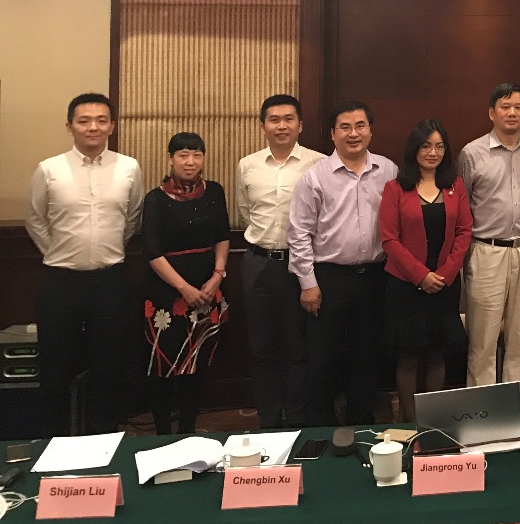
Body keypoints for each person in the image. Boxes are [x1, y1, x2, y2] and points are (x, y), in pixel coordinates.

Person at [26, 93, 145, 435]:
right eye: (84, 120)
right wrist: (57, 253)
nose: (93, 127)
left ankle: (103, 437)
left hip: (110, 281)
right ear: (70, 126)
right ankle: (55, 439)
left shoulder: (129, 167)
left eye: (101, 120)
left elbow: (133, 218)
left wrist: (109, 250)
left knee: (108, 364)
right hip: (61, 281)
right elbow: (35, 220)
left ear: (112, 125)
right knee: (56, 365)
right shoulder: (49, 169)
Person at [287, 100, 397, 425]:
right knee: (324, 358)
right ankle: (322, 429)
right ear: (332, 134)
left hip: (375, 277)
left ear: (370, 130)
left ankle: (361, 425)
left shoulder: (388, 171)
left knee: (368, 355)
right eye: (345, 127)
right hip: (329, 278)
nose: (353, 133)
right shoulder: (315, 177)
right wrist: (308, 284)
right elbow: (299, 233)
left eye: (360, 126)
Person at [234, 93, 325, 428]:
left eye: (289, 119)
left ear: (300, 125)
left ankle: (298, 418)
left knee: (300, 347)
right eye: (274, 119)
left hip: (301, 265)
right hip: (258, 263)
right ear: (263, 126)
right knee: (262, 348)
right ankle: (270, 420)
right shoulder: (247, 165)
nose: (281, 125)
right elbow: (246, 212)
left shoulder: (318, 163)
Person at [457, 83, 520, 412]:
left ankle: (518, 413)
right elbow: (461, 206)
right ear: (491, 112)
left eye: (518, 107)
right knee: (483, 341)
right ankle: (482, 415)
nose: (512, 113)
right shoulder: (472, 153)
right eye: (505, 107)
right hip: (486, 250)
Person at [379, 119, 472, 421]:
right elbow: (389, 238)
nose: (433, 152)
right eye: (426, 146)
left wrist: (445, 274)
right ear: (414, 150)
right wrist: (420, 276)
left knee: (437, 355)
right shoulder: (395, 188)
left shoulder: (455, 186)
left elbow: (464, 231)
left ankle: (432, 423)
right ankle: (410, 423)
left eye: (439, 146)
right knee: (407, 358)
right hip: (406, 285)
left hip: (444, 284)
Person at [142, 132, 230, 434]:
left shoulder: (215, 192)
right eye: (183, 155)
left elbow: (222, 236)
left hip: (207, 289)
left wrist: (217, 275)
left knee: (197, 363)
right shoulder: (155, 199)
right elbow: (152, 252)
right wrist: (183, 288)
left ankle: (189, 429)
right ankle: (162, 433)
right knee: (162, 365)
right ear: (170, 159)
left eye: (196, 154)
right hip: (166, 294)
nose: (190, 161)